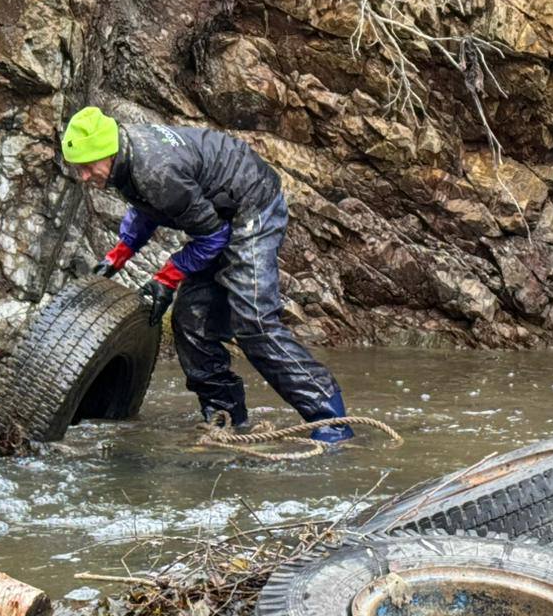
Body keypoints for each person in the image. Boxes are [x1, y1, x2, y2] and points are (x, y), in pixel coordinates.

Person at [59, 106, 354, 443]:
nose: (84, 177)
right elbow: (146, 206)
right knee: (190, 323)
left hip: (253, 205)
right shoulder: (125, 156)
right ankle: (225, 419)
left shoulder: (156, 169)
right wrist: (119, 254)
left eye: (86, 167)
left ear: (107, 151)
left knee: (254, 322)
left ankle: (333, 422)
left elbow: (210, 236)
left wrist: (167, 278)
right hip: (218, 216)